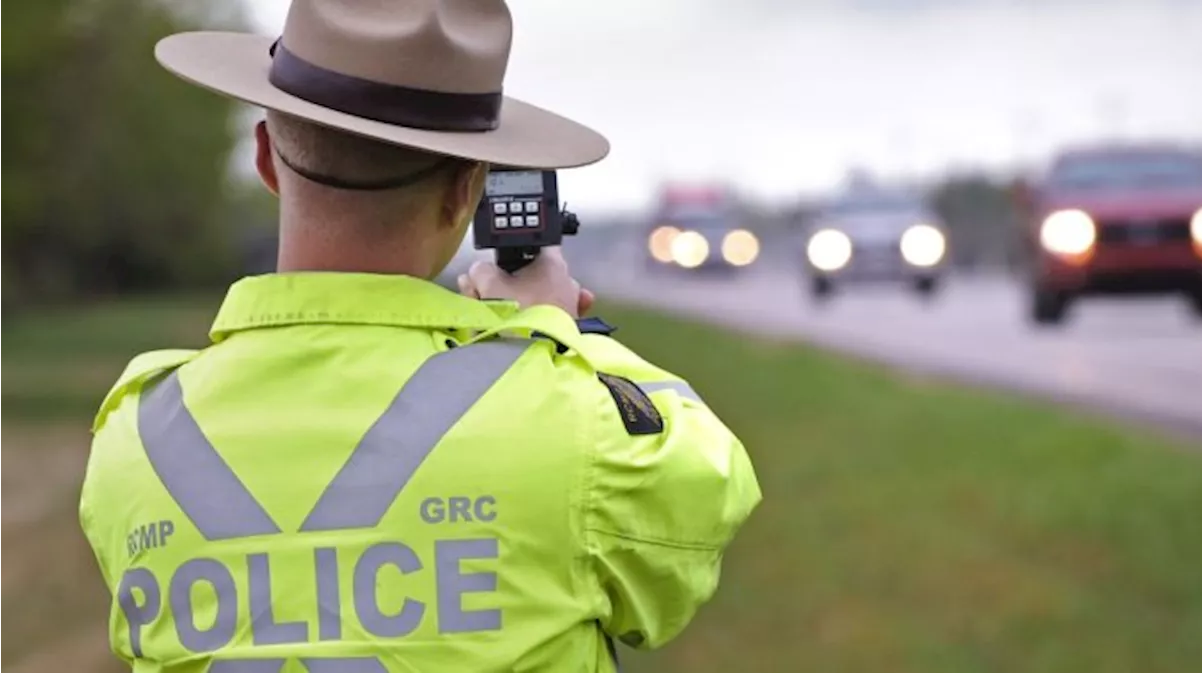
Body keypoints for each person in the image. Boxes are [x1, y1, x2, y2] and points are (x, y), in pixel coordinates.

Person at [77, 1, 762, 671]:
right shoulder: (576, 427)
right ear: (465, 190)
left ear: (265, 157)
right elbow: (710, 482)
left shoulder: (133, 438)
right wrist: (557, 328)